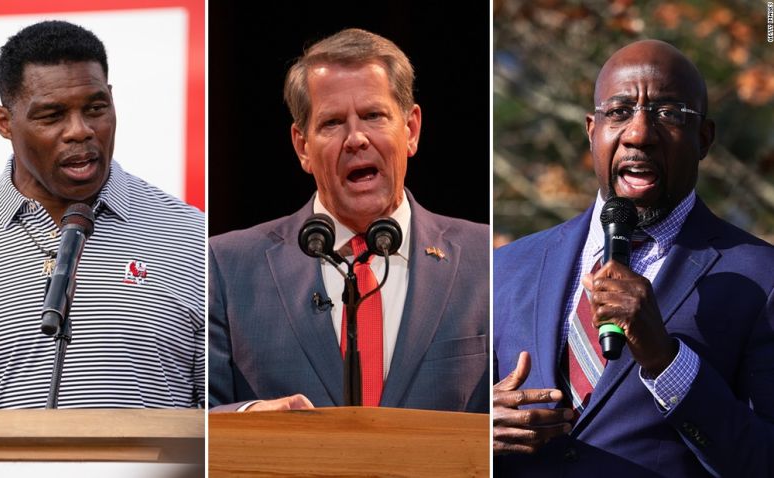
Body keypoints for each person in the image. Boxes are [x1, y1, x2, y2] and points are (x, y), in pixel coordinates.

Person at [494, 39, 774, 476]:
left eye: (668, 113)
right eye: (620, 111)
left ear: (704, 138)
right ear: (592, 131)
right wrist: (478, 432)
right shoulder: (508, 266)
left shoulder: (762, 278)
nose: (640, 134)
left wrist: (666, 360)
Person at [0, 20, 204, 409]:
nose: (80, 131)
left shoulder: (192, 238)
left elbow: (222, 420)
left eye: (95, 108)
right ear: (4, 123)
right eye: (52, 115)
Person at [209, 28, 489, 413]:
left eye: (373, 115)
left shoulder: (485, 260)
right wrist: (246, 419)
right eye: (332, 123)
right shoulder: (226, 266)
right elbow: (193, 418)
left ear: (410, 129)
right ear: (302, 146)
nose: (356, 138)